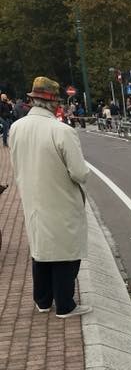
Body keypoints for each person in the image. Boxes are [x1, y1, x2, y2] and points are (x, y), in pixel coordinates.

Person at [9, 76, 92, 317]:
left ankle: (43, 300)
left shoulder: (17, 128)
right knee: (66, 251)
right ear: (53, 103)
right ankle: (65, 304)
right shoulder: (62, 131)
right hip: (61, 198)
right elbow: (79, 172)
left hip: (32, 197)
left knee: (41, 249)